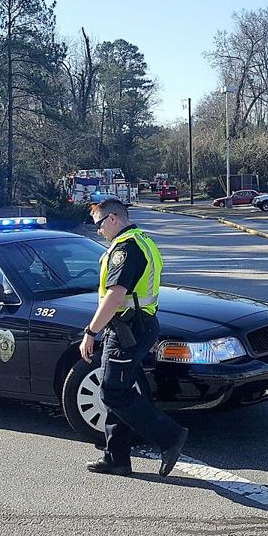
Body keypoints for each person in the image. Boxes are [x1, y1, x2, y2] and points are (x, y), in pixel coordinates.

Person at [79, 198, 188, 477]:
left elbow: (116, 295)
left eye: (100, 225)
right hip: (139, 325)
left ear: (113, 218)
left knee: (112, 392)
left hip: (127, 328)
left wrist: (91, 331)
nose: (99, 231)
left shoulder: (125, 249)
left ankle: (170, 437)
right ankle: (116, 458)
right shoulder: (144, 241)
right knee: (119, 389)